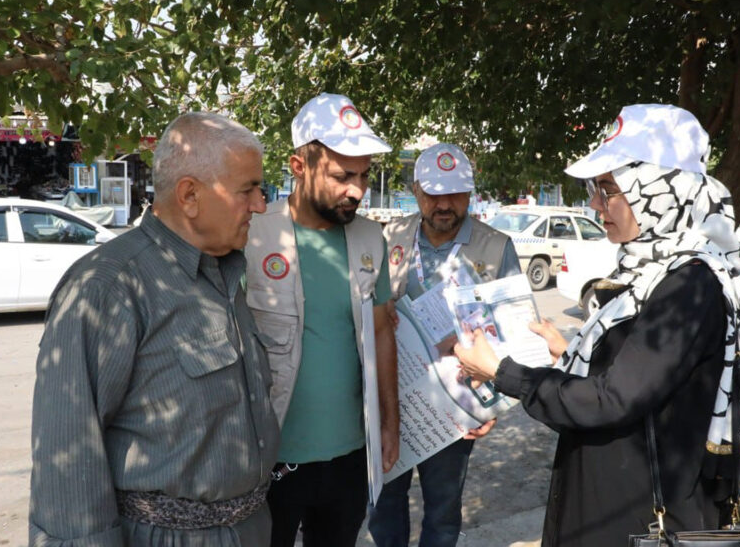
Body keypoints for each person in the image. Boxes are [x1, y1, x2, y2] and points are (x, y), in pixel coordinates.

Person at [454, 104, 740, 547]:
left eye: (608, 190)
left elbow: (613, 399)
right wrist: (569, 354)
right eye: (595, 190)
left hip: (637, 519)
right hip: (612, 502)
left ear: (660, 192)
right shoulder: (651, 273)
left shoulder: (688, 284)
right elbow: (637, 377)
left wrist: (501, 372)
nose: (594, 205)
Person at [29, 112, 279, 546]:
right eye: (249, 189)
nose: (261, 204)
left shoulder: (225, 272)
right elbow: (67, 460)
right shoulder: (107, 286)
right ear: (189, 196)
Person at [244, 93, 400, 547]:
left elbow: (382, 332)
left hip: (349, 457)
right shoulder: (252, 234)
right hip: (269, 459)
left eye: (364, 175)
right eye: (342, 176)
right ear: (298, 166)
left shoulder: (372, 238)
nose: (357, 189)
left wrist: (390, 423)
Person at [368, 143, 521, 547]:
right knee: (383, 509)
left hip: (454, 408)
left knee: (442, 515)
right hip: (392, 398)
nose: (444, 203)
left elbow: (513, 335)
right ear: (416, 190)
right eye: (434, 192)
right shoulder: (388, 237)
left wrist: (492, 404)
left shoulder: (496, 247)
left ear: (470, 193)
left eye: (455, 193)